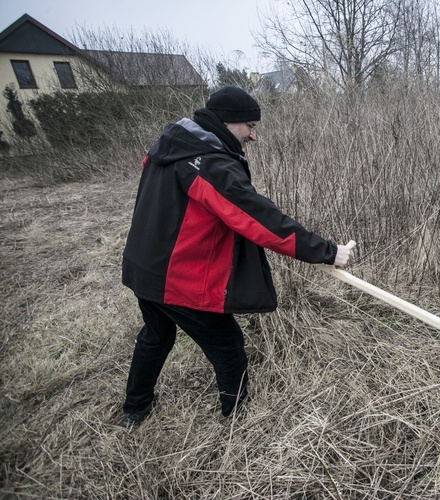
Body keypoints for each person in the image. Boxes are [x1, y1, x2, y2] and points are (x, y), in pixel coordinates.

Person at [120, 86, 353, 428]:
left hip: (143, 268)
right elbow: (258, 219)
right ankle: (237, 421)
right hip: (176, 278)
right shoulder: (209, 163)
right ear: (229, 123)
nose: (254, 136)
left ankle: (134, 409)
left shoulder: (169, 146)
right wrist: (329, 252)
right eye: (250, 126)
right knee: (227, 346)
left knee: (156, 336)